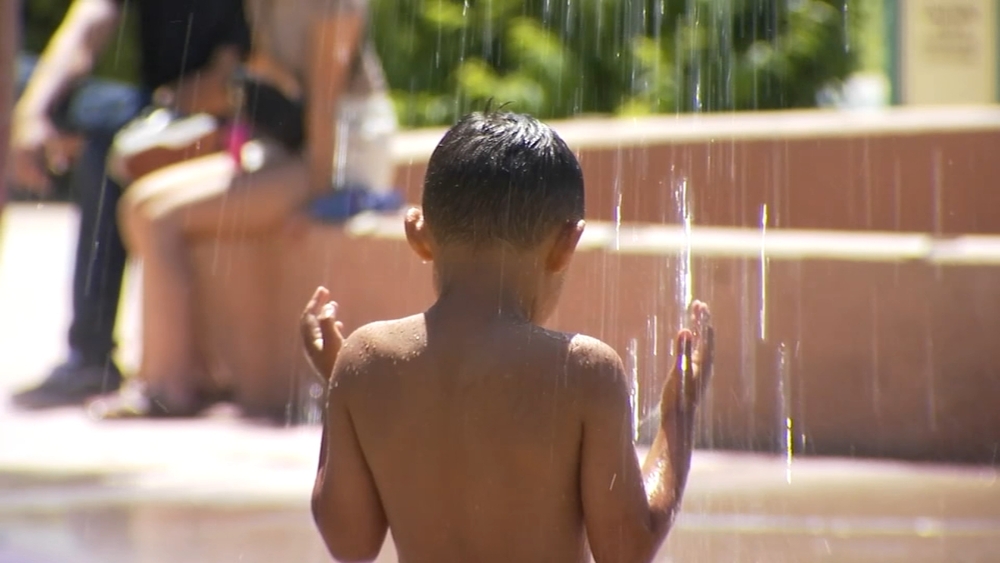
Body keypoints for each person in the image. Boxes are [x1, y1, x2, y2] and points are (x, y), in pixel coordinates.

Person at [299, 110, 716, 563]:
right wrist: (679, 412)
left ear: (418, 235)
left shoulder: (365, 360)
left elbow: (349, 544)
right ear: (566, 245)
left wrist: (341, 382)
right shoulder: (582, 372)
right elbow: (626, 549)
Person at [90, 0, 397, 419]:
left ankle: (167, 386)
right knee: (139, 205)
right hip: (287, 145)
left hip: (341, 156)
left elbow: (325, 103)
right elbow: (266, 77)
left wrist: (319, 201)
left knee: (163, 219)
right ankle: (192, 367)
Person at [9, 0, 251, 410]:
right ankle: (91, 355)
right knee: (22, 81)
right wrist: (32, 114)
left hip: (221, 122)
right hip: (154, 107)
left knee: (107, 151)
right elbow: (87, 25)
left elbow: (234, 78)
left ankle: (92, 352)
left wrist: (173, 105)